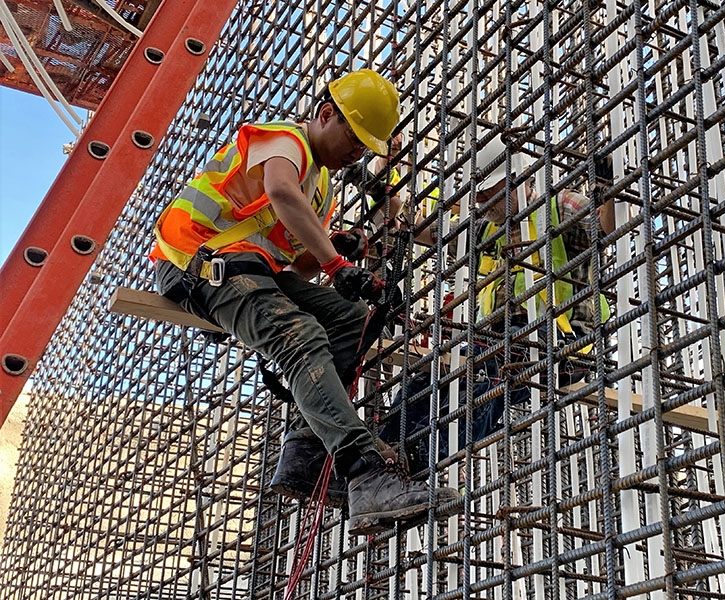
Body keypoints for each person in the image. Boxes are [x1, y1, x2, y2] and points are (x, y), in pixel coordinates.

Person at [150, 69, 459, 535]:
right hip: (200, 261)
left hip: (253, 274)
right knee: (301, 336)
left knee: (350, 317)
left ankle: (308, 452)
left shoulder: (320, 191)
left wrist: (338, 250)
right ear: (326, 114)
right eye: (354, 138)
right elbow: (279, 192)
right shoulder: (286, 139)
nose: (357, 152)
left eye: (364, 146)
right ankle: (365, 473)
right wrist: (336, 263)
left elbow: (294, 271)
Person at [379, 135, 615, 473]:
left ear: (517, 180)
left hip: (564, 345)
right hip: (497, 342)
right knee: (426, 377)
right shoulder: (485, 231)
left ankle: (421, 460)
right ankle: (380, 459)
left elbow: (606, 229)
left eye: (490, 193)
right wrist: (385, 176)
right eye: (479, 195)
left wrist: (605, 188)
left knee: (487, 371)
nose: (481, 202)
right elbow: (416, 229)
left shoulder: (559, 206)